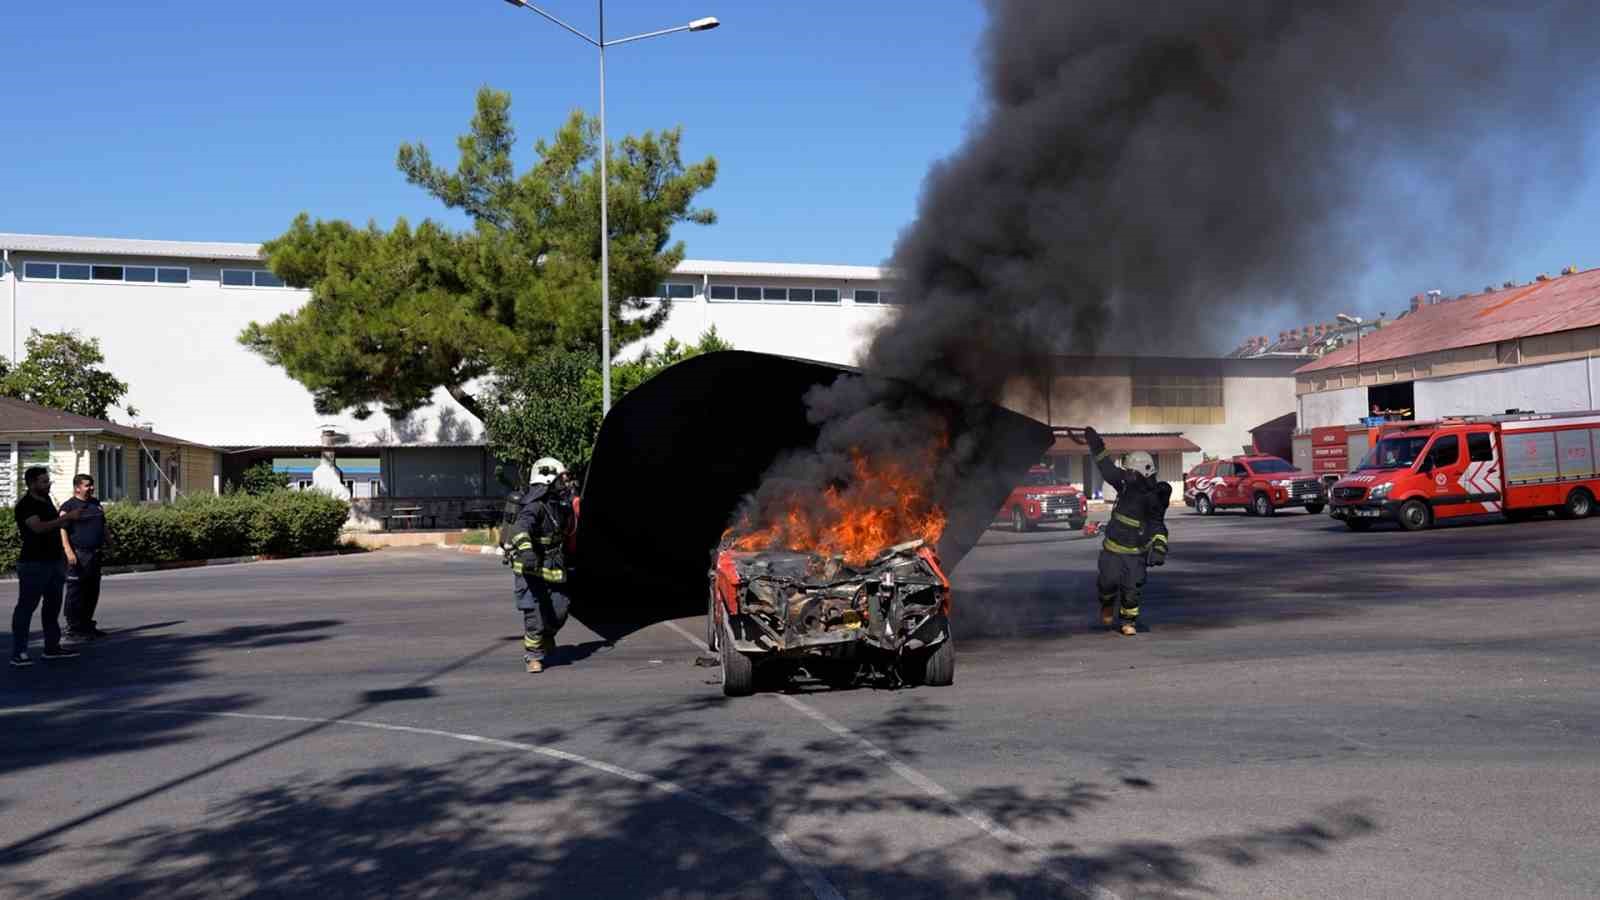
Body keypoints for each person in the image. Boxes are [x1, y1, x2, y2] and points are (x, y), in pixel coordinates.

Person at [1085, 427, 1170, 636]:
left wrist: (1159, 547)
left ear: (1143, 472)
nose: (1128, 474)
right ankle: (1106, 604)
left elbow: (1157, 524)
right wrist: (1096, 444)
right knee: (1108, 582)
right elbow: (1106, 467)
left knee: (1132, 590)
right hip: (1112, 549)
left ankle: (1128, 621)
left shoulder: (1155, 496)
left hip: (1135, 553)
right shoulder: (1123, 483)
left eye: (1132, 472)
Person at [508, 457, 576, 674]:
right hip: (530, 567)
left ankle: (547, 637)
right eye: (561, 478)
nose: (564, 482)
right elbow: (520, 528)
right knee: (534, 614)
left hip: (553, 565)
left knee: (561, 608)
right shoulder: (534, 506)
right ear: (548, 478)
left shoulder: (558, 504)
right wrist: (527, 550)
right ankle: (533, 655)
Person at [11, 467, 82, 666]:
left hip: (54, 561)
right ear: (32, 483)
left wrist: (65, 551)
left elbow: (55, 526)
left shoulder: (46, 500)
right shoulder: (26, 504)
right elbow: (38, 527)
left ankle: (52, 648)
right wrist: (66, 517)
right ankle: (19, 652)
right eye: (43, 481)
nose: (48, 484)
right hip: (34, 562)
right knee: (26, 607)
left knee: (52, 607)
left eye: (48, 481)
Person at [61, 474, 110, 640]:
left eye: (92, 485)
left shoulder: (95, 504)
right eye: (87, 485)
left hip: (95, 554)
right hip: (78, 554)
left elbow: (103, 525)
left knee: (91, 592)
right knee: (76, 592)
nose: (91, 488)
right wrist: (68, 551)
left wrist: (109, 541)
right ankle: (73, 628)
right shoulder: (69, 506)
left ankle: (87, 625)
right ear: (77, 487)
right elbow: (62, 529)